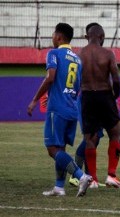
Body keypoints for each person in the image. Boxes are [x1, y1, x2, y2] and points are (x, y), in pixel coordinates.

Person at [27, 23, 93, 197]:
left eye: (53, 34)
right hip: (71, 108)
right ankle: (59, 187)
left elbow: (50, 78)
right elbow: (77, 85)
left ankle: (81, 176)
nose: (52, 37)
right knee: (60, 149)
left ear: (58, 36)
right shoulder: (77, 59)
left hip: (58, 109)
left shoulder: (54, 53)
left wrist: (35, 100)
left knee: (52, 150)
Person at [78, 23, 120, 197]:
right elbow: (117, 79)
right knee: (115, 133)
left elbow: (76, 80)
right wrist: (114, 97)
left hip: (87, 96)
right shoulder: (108, 54)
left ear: (87, 36)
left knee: (90, 137)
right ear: (102, 36)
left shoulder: (79, 54)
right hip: (105, 95)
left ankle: (93, 180)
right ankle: (111, 175)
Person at [68, 22, 105, 189]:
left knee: (94, 138)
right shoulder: (82, 57)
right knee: (91, 137)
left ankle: (89, 177)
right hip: (85, 101)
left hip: (93, 101)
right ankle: (77, 176)